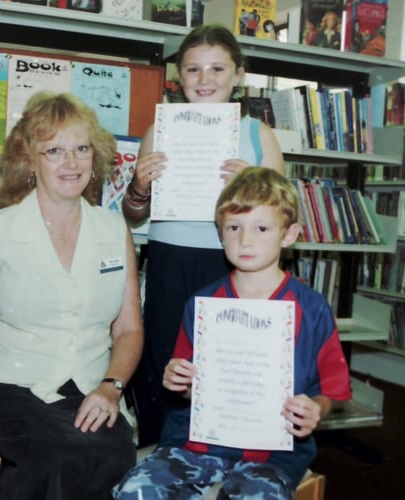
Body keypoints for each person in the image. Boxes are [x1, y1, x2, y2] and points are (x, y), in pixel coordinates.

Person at [113, 167, 352, 499]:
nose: (246, 240)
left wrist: (315, 409)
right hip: (195, 443)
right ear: (220, 233)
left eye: (262, 228)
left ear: (289, 234)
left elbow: (330, 390)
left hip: (273, 452)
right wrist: (180, 382)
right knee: (135, 491)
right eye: (234, 228)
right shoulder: (202, 304)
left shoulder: (312, 309)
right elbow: (190, 393)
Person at [0, 91, 143, 499]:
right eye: (54, 150)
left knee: (113, 455)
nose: (71, 162)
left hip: (94, 387)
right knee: (55, 456)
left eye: (81, 149)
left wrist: (112, 386)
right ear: (30, 161)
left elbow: (128, 328)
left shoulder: (115, 232)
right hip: (9, 386)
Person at [122, 23, 285, 447]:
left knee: (226, 360)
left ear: (238, 74)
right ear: (178, 77)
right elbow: (134, 215)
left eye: (217, 69)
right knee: (164, 357)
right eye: (193, 70)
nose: (205, 80)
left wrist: (252, 183)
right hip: (169, 257)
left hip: (232, 263)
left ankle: (224, 448)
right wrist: (139, 186)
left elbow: (282, 212)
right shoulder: (159, 132)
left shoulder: (257, 134)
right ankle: (161, 452)